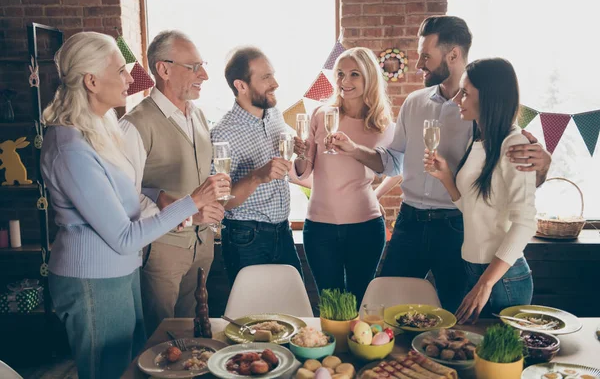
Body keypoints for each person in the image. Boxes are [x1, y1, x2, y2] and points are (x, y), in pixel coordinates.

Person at [329, 16, 551, 313]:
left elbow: (514, 175)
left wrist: (544, 164)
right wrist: (354, 149)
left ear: (454, 55)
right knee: (383, 306)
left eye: (425, 56)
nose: (419, 64)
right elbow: (393, 161)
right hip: (410, 222)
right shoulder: (414, 102)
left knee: (456, 315)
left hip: (458, 227)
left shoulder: (483, 110)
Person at [40, 32, 226, 379]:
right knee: (107, 373)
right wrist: (191, 203)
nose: (131, 78)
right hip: (92, 279)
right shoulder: (69, 145)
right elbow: (124, 236)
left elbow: (123, 192)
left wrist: (159, 197)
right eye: (121, 70)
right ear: (92, 81)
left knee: (135, 368)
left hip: (119, 271)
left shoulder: (99, 127)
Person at [119, 30, 230, 335]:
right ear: (163, 69)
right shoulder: (134, 125)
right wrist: (188, 213)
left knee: (196, 332)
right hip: (162, 250)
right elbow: (123, 198)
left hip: (203, 244)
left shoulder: (199, 116)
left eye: (202, 65)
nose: (204, 75)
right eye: (193, 67)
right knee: (161, 338)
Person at [424, 58, 536, 323]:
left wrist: (485, 284)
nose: (456, 100)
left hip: (502, 278)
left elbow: (526, 224)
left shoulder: (516, 146)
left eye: (465, 93)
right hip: (474, 269)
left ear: (489, 98)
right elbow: (473, 208)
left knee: (499, 361)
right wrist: (447, 179)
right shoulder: (480, 141)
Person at [293, 47, 395, 301]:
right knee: (331, 304)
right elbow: (304, 170)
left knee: (360, 303)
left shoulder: (383, 124)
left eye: (354, 75)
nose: (344, 82)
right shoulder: (321, 114)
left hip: (366, 227)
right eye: (340, 74)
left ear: (369, 78)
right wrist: (302, 152)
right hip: (320, 228)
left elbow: (397, 169)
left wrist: (377, 193)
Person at [210, 46, 303, 285]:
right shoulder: (222, 133)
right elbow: (220, 202)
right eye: (266, 77)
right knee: (251, 316)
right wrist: (257, 176)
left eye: (272, 75)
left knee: (294, 311)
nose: (275, 83)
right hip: (245, 237)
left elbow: (284, 165)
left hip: (283, 231)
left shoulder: (274, 115)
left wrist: (298, 150)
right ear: (241, 86)